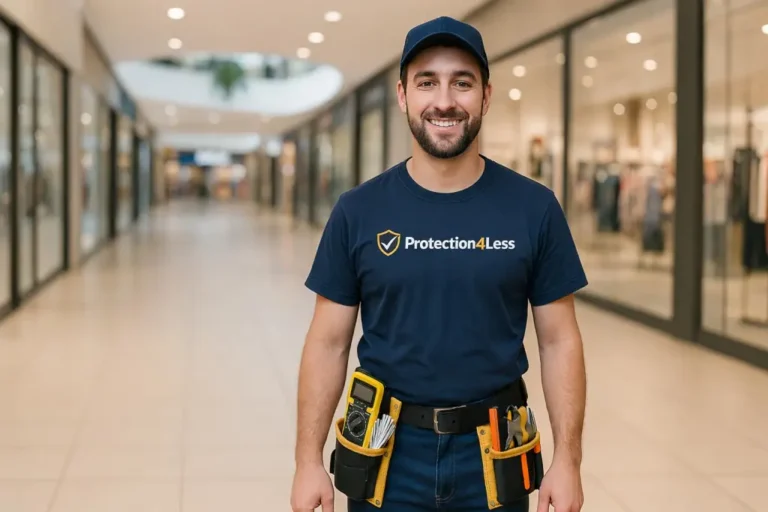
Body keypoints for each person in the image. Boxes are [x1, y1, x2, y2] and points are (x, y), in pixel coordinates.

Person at [291, 15, 587, 512]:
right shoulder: (358, 211)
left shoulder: (534, 208)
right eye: (427, 82)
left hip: (495, 456)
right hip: (385, 454)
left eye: (462, 83)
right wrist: (307, 462)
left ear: (486, 96)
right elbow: (327, 343)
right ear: (403, 95)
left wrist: (568, 460)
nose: (444, 101)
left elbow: (560, 340)